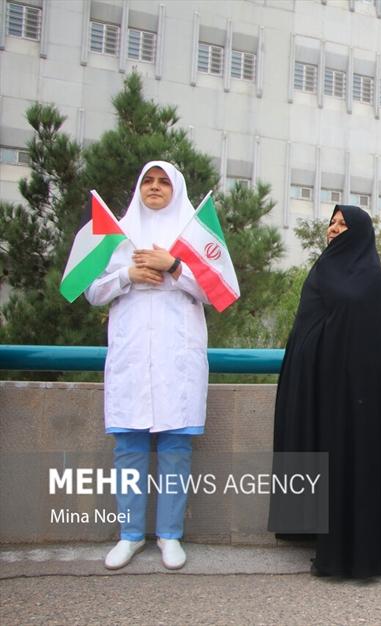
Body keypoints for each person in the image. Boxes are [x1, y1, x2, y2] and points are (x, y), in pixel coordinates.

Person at [268, 205, 381, 578]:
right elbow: (307, 325)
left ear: (361, 232)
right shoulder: (322, 269)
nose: (333, 229)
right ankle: (321, 538)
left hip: (358, 392)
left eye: (342, 223)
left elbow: (368, 338)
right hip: (318, 384)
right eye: (331, 223)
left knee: (354, 465)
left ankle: (359, 553)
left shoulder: (369, 276)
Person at [86, 161, 210, 571]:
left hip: (177, 356)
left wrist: (172, 266)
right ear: (138, 187)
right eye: (147, 181)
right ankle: (130, 535)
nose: (154, 187)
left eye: (163, 182)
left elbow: (217, 291)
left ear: (176, 188)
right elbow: (91, 291)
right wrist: (129, 273)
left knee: (176, 448)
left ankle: (170, 536)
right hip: (132, 355)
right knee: (129, 446)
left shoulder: (194, 234)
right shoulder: (116, 234)